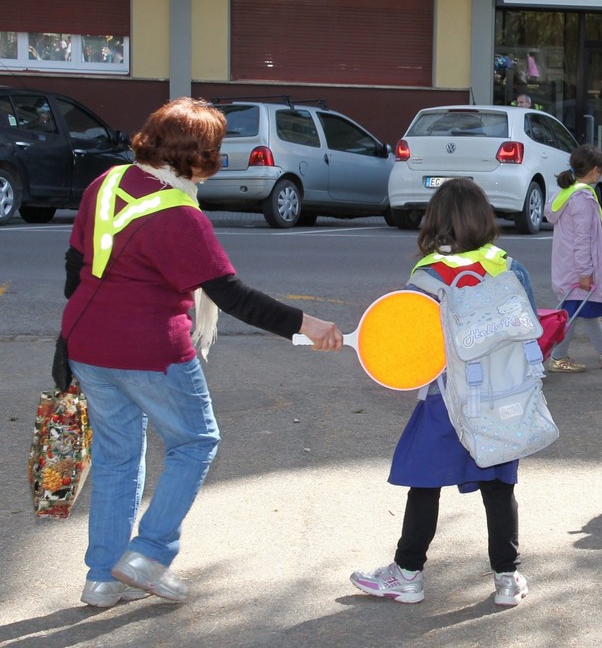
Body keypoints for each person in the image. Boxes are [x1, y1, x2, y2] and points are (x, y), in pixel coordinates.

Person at [61, 98, 343, 608]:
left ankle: (101, 578)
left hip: (87, 341)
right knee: (196, 443)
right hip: (150, 349)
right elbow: (233, 297)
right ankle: (148, 554)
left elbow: (74, 264)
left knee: (116, 459)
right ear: (199, 157)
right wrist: (308, 325)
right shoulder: (180, 217)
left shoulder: (105, 185)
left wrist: (69, 341)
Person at [350, 178, 535, 608]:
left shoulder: (426, 274)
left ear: (435, 222)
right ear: (483, 218)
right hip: (501, 398)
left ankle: (408, 573)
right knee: (499, 487)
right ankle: (507, 579)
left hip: (445, 398)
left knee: (424, 484)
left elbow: (415, 348)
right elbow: (528, 334)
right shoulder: (510, 266)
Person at [545, 144, 602, 372]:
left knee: (585, 308)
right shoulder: (583, 199)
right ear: (595, 170)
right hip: (578, 267)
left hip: (568, 264)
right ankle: (558, 357)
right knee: (572, 312)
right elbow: (583, 240)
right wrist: (585, 272)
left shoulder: (566, 193)